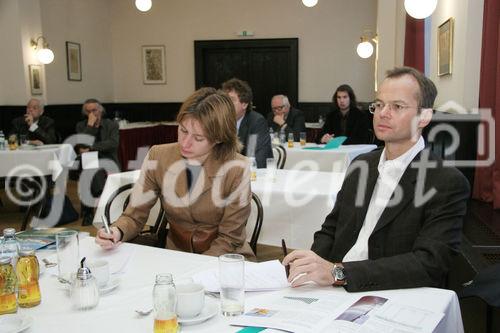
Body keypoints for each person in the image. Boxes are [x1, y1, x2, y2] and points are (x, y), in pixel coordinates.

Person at [283, 67, 470, 292]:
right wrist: (312, 263)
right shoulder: (361, 164)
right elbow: (331, 228)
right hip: (332, 288)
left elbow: (429, 263)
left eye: (397, 106)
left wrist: (337, 273)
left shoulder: (445, 181)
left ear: (424, 116)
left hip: (389, 292)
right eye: (379, 105)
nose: (383, 113)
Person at [95, 88, 255, 259]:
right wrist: (116, 231)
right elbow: (134, 216)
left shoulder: (237, 167)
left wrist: (197, 268)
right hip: (176, 255)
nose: (185, 143)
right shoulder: (159, 156)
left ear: (219, 138)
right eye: (183, 130)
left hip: (223, 258)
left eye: (198, 138)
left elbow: (230, 239)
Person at [75, 99, 120, 226]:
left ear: (100, 110)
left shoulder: (111, 125)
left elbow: (112, 143)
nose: (92, 114)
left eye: (94, 110)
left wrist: (92, 147)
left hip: (107, 158)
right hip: (89, 160)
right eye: (88, 111)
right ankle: (99, 207)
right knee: (91, 167)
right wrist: (90, 126)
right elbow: (82, 144)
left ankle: (89, 211)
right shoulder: (81, 125)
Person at [222, 78, 273, 168]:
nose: (226, 104)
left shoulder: (256, 123)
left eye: (231, 100)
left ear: (244, 104)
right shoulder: (220, 121)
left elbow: (254, 159)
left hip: (255, 177)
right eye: (225, 100)